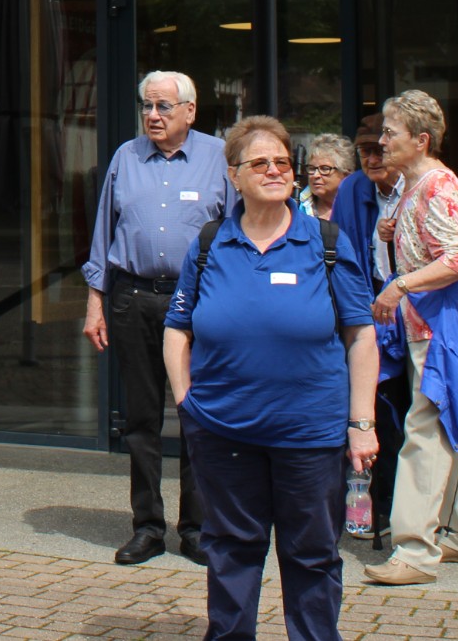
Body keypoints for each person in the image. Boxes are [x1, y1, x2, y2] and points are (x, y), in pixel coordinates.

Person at [164, 115, 379, 641]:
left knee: (312, 554)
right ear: (233, 175)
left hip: (309, 435)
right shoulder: (210, 243)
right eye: (260, 163)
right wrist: (187, 402)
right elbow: (177, 328)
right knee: (230, 549)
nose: (275, 170)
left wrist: (362, 423)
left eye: (283, 161)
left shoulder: (326, 243)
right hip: (223, 431)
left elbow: (361, 337)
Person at [81, 69, 232, 567]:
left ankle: (197, 527)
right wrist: (96, 302)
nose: (152, 115)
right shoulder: (126, 157)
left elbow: (238, 232)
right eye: (146, 105)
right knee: (141, 419)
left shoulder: (218, 157)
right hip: (134, 298)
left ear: (190, 110)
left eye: (163, 106)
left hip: (200, 303)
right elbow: (104, 234)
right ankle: (147, 526)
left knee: (198, 414)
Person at [363, 89, 458, 587]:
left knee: (426, 429)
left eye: (390, 132)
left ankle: (414, 551)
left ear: (421, 140)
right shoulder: (415, 185)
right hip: (434, 324)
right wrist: (393, 235)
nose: (381, 142)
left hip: (441, 327)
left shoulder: (437, 185)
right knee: (444, 422)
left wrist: (400, 285)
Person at [331, 115, 410, 547]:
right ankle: (378, 505)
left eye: (379, 149)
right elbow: (343, 258)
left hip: (419, 318)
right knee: (376, 413)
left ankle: (413, 512)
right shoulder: (352, 189)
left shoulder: (425, 183)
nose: (372, 158)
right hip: (371, 319)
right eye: (364, 151)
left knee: (419, 418)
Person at [299, 134, 356, 221]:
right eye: (312, 168)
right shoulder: (296, 206)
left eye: (325, 169)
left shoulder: (359, 206)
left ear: (345, 174)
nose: (315, 175)